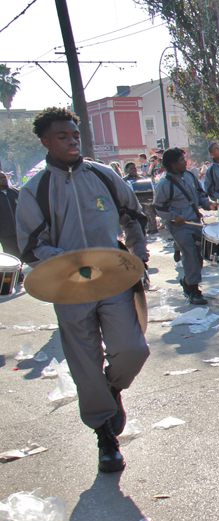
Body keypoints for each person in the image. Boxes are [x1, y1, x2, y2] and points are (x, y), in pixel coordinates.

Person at [16, 107, 150, 474]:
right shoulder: (36, 188)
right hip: (69, 288)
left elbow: (134, 216)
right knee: (84, 362)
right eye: (62, 136)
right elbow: (30, 246)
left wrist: (139, 255)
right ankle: (105, 436)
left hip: (114, 281)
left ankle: (112, 390)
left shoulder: (104, 176)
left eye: (75, 135)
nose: (72, 141)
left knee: (134, 349)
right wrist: (65, 260)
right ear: (45, 141)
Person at [153, 147, 219, 305]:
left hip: (195, 222)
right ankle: (194, 291)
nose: (185, 162)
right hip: (180, 226)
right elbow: (159, 207)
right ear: (173, 164)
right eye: (182, 160)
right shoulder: (164, 184)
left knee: (198, 255)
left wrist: (208, 204)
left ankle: (188, 282)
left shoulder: (190, 175)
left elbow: (200, 194)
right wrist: (175, 217)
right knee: (190, 255)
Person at [0, 172, 20, 258]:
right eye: (0, 178)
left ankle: (20, 270)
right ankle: (17, 271)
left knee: (22, 252)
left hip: (20, 231)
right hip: (5, 234)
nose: (3, 179)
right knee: (11, 254)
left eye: (4, 177)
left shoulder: (15, 192)